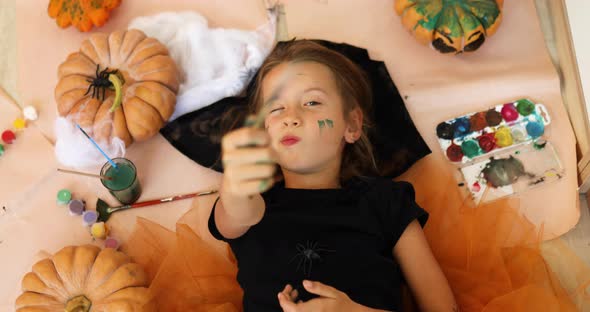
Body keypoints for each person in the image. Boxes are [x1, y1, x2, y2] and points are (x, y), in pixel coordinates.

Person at [208, 39, 457, 312]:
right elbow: (239, 211)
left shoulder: (387, 202)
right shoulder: (252, 203)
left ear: (351, 125)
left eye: (312, 102)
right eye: (275, 108)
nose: (291, 117)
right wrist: (236, 179)